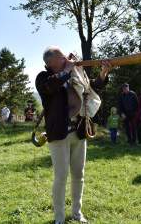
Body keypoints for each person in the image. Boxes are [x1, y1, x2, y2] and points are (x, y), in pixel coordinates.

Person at [36, 46, 111, 224]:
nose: (66, 59)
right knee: (61, 176)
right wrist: (68, 69)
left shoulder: (74, 74)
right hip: (58, 134)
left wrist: (103, 73)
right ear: (50, 62)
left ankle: (77, 213)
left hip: (79, 130)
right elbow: (51, 87)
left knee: (79, 174)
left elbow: (92, 87)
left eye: (65, 56)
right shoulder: (44, 77)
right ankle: (59, 218)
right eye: (61, 57)